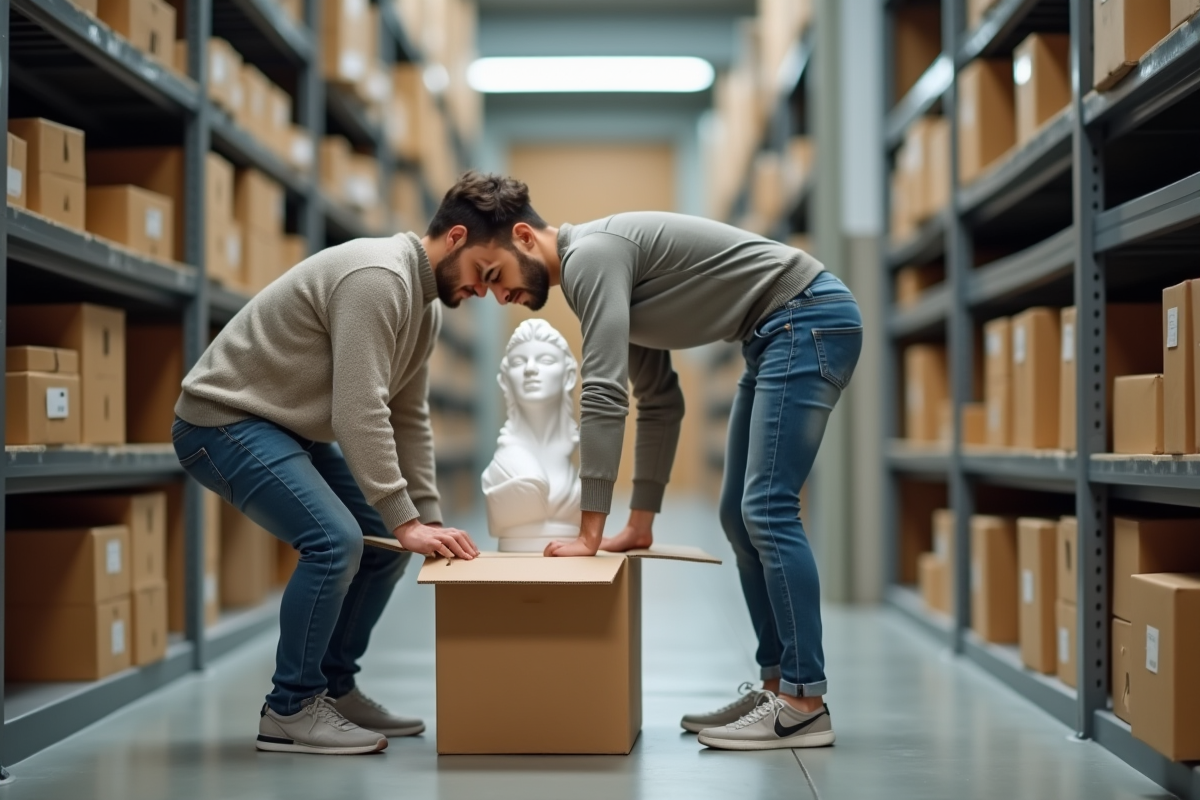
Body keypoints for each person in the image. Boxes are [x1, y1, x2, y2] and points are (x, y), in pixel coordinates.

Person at [423, 171, 864, 751]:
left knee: (767, 507)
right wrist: (640, 524)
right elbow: (660, 399)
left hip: (804, 319)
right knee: (739, 514)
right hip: (773, 334)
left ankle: (804, 703)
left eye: (492, 275)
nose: (497, 295)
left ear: (525, 237)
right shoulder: (602, 278)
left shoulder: (591, 260)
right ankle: (777, 687)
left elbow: (604, 391)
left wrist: (590, 531)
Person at [173, 225, 488, 755]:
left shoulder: (425, 309)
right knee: (336, 540)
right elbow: (358, 409)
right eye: (487, 272)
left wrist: (423, 518)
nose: (484, 289)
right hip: (223, 420)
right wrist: (402, 516)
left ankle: (335, 689)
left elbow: (407, 415)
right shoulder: (378, 277)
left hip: (285, 426)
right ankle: (289, 708)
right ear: (456, 237)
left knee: (385, 546)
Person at [482, 319, 583, 552]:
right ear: (505, 379)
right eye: (518, 362)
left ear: (568, 375)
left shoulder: (582, 457)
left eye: (545, 360)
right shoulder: (505, 464)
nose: (530, 369)